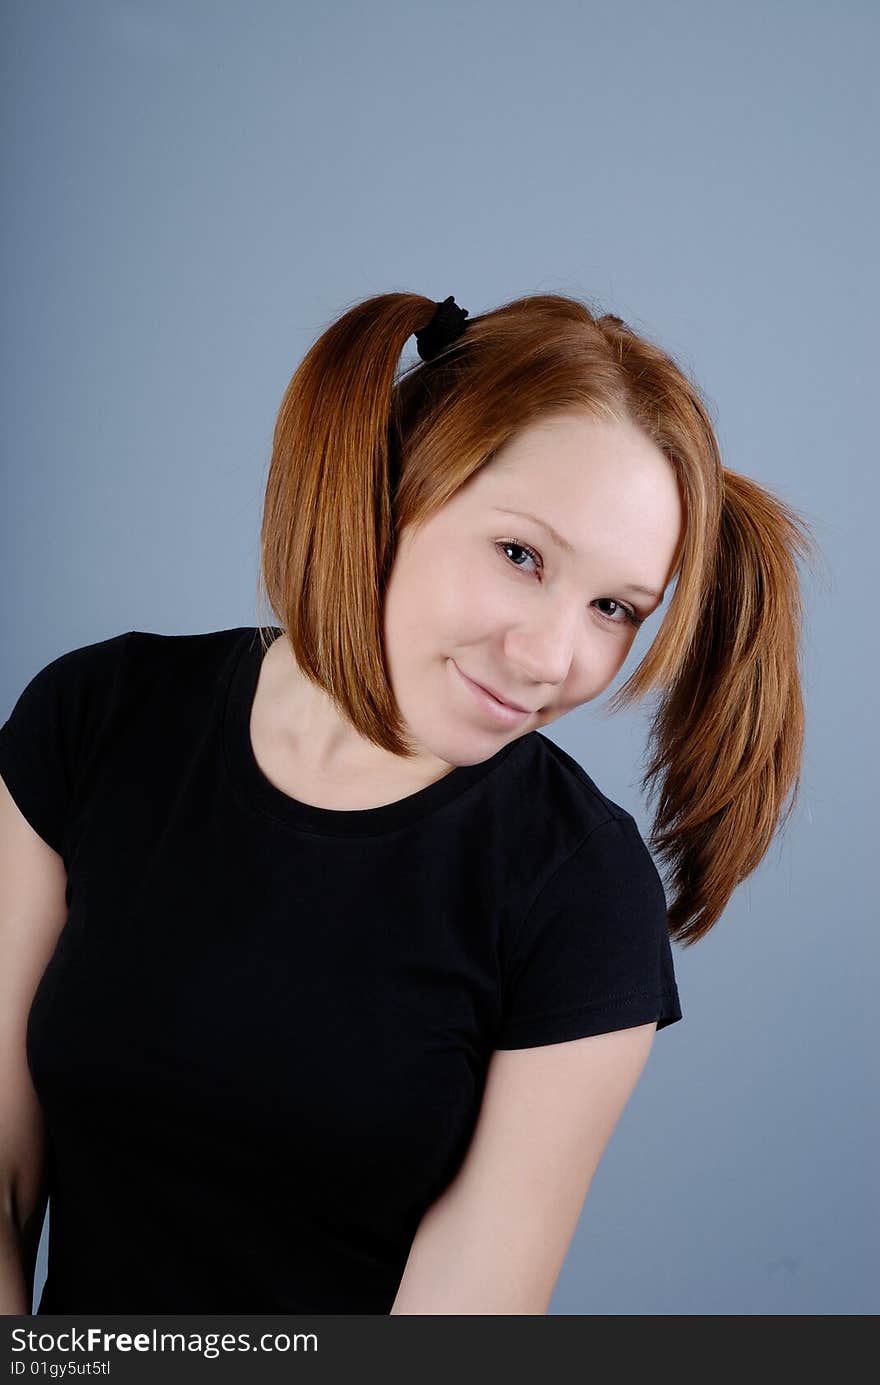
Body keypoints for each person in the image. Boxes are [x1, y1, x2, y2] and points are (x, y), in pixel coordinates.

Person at [0, 291, 817, 1315]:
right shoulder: (94, 718)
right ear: (392, 479)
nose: (550, 660)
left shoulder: (579, 892)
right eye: (520, 554)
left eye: (613, 608)